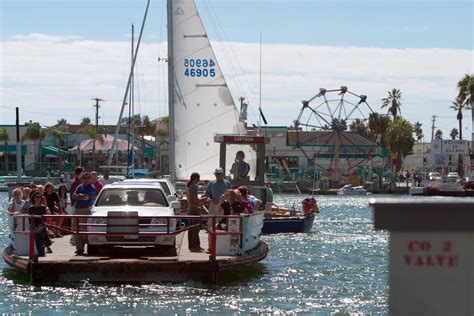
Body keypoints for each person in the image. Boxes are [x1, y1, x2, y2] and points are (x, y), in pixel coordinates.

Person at [72, 172, 96, 255]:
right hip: (77, 209)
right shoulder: (80, 186)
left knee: (83, 229)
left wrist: (79, 196)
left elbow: (86, 198)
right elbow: (73, 195)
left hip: (85, 209)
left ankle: (83, 247)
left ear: (90, 179)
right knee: (74, 229)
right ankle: (79, 248)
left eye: (88, 178)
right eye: (84, 178)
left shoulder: (92, 188)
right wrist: (80, 196)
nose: (86, 179)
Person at [28, 190, 52, 256]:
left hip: (42, 225)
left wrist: (41, 226)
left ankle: (43, 248)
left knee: (42, 232)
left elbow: (45, 219)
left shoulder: (43, 208)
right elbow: (30, 220)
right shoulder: (31, 208)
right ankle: (45, 246)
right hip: (34, 225)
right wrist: (35, 228)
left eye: (39, 197)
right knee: (38, 233)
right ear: (33, 198)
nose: (38, 198)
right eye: (36, 197)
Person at [186, 172, 203, 252]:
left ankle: (191, 245)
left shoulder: (189, 186)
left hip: (189, 209)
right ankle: (196, 245)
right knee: (196, 228)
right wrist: (202, 201)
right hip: (194, 209)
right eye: (198, 179)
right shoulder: (194, 186)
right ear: (196, 179)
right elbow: (195, 199)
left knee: (191, 229)